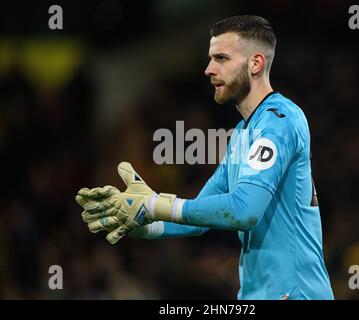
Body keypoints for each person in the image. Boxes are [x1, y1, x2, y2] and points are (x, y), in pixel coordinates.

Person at [76, 15, 334, 300]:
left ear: (256, 64)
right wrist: (144, 223)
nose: (209, 69)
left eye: (221, 58)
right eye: (211, 58)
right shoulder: (241, 134)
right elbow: (200, 215)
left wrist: (155, 204)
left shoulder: (279, 121)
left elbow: (243, 211)